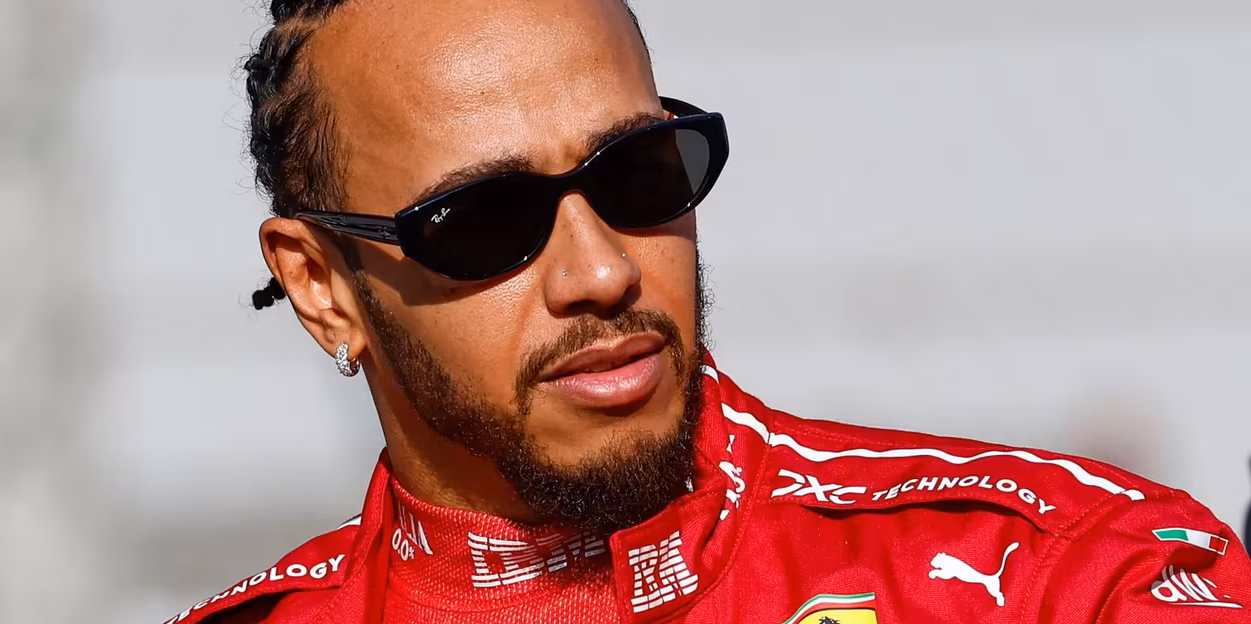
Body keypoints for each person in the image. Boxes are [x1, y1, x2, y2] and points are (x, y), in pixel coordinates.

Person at [166, 0, 1251, 622]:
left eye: (640, 173)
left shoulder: (1057, 575)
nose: (601, 272)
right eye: (486, 220)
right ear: (320, 285)